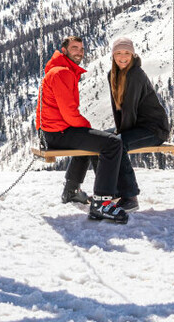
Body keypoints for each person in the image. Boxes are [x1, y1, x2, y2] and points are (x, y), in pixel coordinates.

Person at [66, 37, 171, 211]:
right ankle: (112, 191)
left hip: (153, 129)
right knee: (98, 140)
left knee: (116, 144)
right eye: (119, 53)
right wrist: (115, 132)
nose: (123, 57)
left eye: (127, 53)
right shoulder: (113, 74)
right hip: (134, 126)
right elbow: (118, 110)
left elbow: (129, 110)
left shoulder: (136, 74)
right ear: (113, 55)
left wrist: (116, 135)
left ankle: (130, 196)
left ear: (133, 54)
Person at [36, 35, 129, 224]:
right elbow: (69, 113)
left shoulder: (59, 70)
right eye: (74, 48)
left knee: (90, 139)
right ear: (64, 51)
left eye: (81, 49)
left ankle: (71, 191)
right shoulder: (62, 73)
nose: (79, 52)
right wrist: (88, 129)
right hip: (58, 133)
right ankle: (102, 202)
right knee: (111, 143)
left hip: (52, 132)